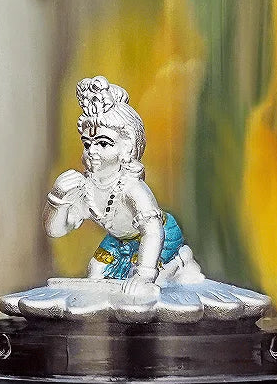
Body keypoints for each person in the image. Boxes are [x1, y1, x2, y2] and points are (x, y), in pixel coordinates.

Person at [43, 76, 202, 302]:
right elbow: (57, 230)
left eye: (103, 143)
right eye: (87, 144)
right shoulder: (86, 187)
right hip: (119, 240)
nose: (92, 151)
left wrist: (145, 275)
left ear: (126, 148)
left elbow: (153, 230)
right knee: (95, 272)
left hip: (159, 235)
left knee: (151, 280)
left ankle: (180, 261)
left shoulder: (132, 188)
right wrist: (56, 198)